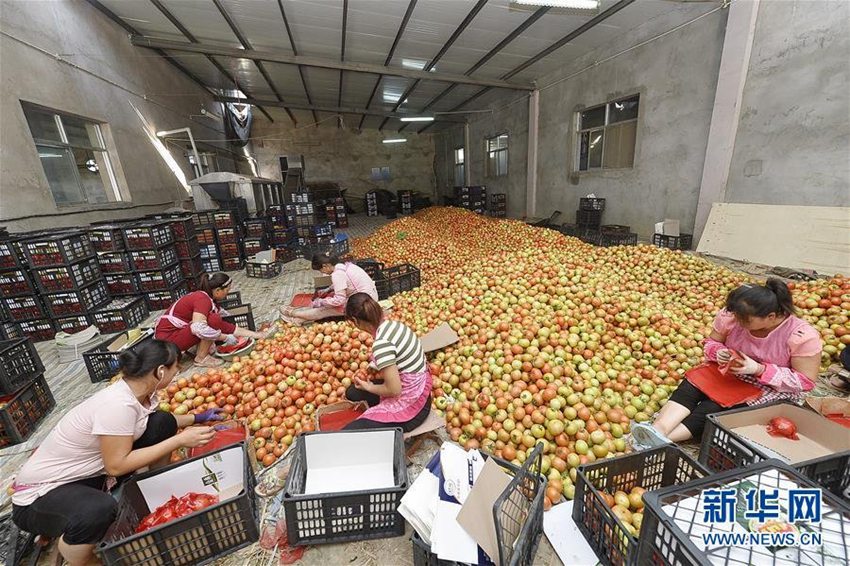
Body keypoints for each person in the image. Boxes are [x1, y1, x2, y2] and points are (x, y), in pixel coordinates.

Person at [11, 340, 224, 566]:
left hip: (84, 477)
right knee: (100, 510)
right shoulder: (117, 405)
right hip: (39, 497)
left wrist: (199, 418)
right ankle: (75, 550)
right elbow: (116, 466)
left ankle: (152, 487)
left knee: (162, 421)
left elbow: (146, 423)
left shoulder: (136, 393)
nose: (177, 373)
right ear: (160, 371)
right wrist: (178, 440)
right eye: (175, 368)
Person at [631, 278, 822, 448]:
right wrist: (719, 352)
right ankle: (659, 428)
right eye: (736, 315)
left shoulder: (800, 336)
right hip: (730, 372)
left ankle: (663, 439)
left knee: (714, 407)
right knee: (693, 384)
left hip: (769, 387)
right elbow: (712, 342)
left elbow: (805, 381)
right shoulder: (733, 317)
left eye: (745, 319)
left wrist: (759, 369)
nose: (737, 321)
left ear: (770, 317)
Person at [342, 293, 432, 431]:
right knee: (353, 392)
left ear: (355, 320)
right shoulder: (393, 325)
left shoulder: (381, 344)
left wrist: (369, 387)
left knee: (350, 431)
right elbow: (399, 354)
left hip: (414, 407)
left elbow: (394, 390)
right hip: (421, 391)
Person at [155, 272, 267, 367]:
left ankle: (202, 352)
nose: (227, 294)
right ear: (218, 290)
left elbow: (227, 326)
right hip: (167, 344)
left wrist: (257, 335)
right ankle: (201, 358)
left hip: (174, 338)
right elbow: (198, 328)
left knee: (214, 320)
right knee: (213, 320)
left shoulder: (209, 300)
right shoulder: (203, 300)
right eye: (227, 291)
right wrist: (224, 337)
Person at [280, 254, 378, 325]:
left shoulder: (337, 275)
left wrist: (321, 302)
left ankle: (293, 313)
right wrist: (328, 290)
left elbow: (339, 301)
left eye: (321, 270)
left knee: (324, 309)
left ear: (325, 266)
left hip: (364, 305)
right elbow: (344, 283)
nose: (322, 273)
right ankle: (299, 320)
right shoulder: (346, 266)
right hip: (370, 297)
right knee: (329, 298)